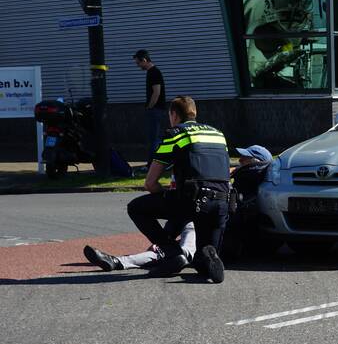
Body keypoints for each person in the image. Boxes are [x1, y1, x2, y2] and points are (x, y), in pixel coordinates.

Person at [126, 96, 230, 283]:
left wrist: (166, 199)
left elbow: (150, 183)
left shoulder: (176, 133)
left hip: (192, 200)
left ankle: (172, 252)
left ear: (174, 114)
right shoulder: (217, 134)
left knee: (136, 207)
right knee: (202, 259)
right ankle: (208, 256)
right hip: (222, 204)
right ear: (194, 113)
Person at [82, 223, 196, 272]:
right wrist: (162, 244)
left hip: (208, 243)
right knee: (157, 254)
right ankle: (115, 261)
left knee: (191, 226)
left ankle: (180, 256)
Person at [132, 49, 166, 164]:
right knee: (155, 138)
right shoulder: (152, 72)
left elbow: (156, 92)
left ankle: (152, 165)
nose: (138, 66)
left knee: (154, 139)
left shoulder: (154, 72)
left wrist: (150, 107)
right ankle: (156, 164)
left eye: (138, 63)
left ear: (144, 60)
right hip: (157, 110)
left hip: (156, 110)